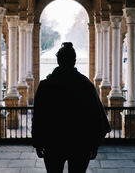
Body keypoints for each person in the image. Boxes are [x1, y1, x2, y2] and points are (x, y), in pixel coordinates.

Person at [32, 42, 111, 173]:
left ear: (58, 60)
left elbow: (38, 117)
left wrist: (37, 143)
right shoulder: (85, 85)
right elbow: (97, 117)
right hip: (80, 143)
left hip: (53, 142)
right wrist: (94, 144)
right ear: (74, 61)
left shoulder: (46, 86)